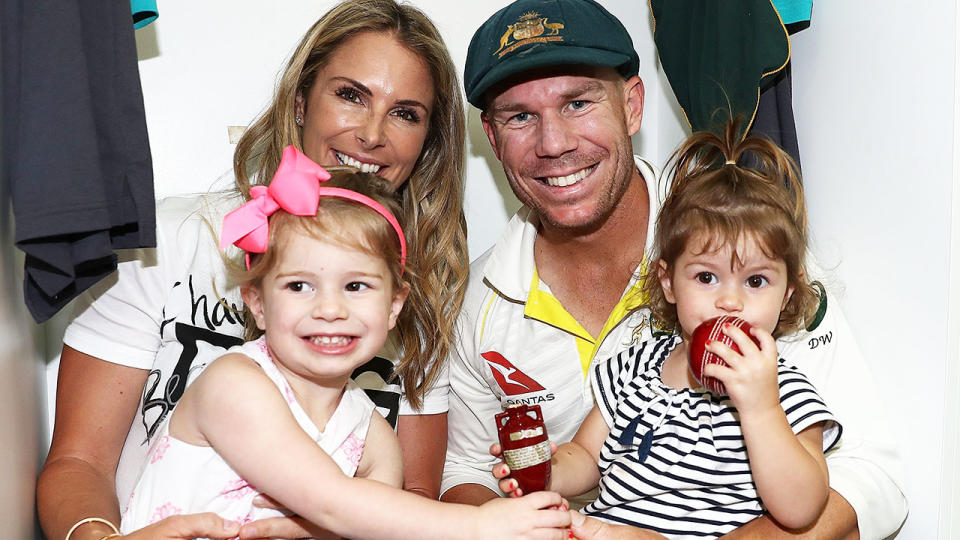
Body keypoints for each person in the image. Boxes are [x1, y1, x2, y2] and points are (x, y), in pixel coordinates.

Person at [443, 0, 907, 538]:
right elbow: (472, 470)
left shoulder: (742, 244)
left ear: (633, 105)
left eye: (577, 103)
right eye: (520, 115)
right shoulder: (477, 304)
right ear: (492, 138)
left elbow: (870, 477)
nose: (554, 144)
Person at [38, 1, 469, 539]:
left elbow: (408, 500)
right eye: (350, 95)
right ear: (300, 102)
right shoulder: (168, 241)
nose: (372, 133)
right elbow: (79, 463)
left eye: (406, 113)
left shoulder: (421, 297)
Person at [118, 153, 571, 539]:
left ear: (395, 305)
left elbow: (376, 519)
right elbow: (335, 502)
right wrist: (476, 526)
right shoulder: (235, 386)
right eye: (299, 286)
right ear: (256, 303)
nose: (329, 309)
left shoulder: (370, 430)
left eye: (355, 285)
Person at [494, 123, 844, 537]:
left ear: (787, 294)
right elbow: (586, 456)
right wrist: (545, 471)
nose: (729, 301)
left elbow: (802, 509)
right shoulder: (633, 366)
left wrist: (760, 408)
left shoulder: (783, 389)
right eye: (706, 278)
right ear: (667, 281)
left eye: (755, 282)